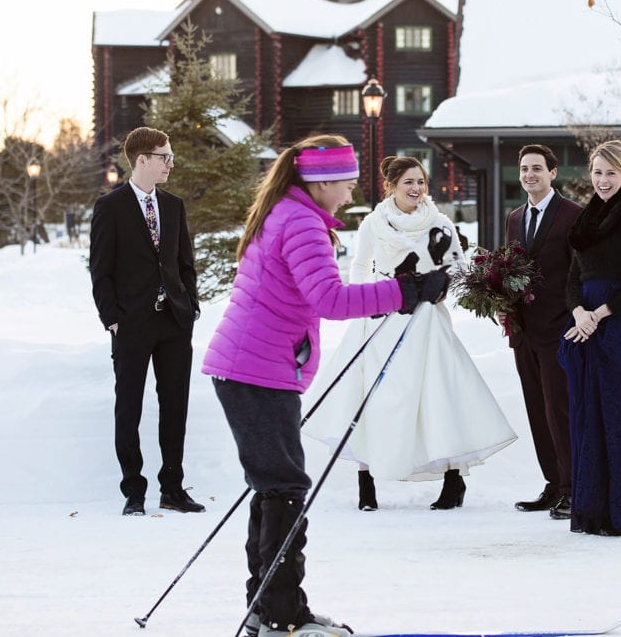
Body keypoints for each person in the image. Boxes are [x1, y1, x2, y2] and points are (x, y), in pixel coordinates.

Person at [201, 136, 449, 637]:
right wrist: (405, 292)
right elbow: (329, 300)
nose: (351, 193)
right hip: (256, 371)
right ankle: (281, 615)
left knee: (276, 487)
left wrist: (398, 288)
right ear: (321, 182)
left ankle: (268, 608)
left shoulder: (287, 213)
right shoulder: (301, 222)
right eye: (346, 183)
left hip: (255, 368)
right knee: (285, 490)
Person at [302, 156, 516, 511]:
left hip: (426, 320)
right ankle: (366, 482)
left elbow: (457, 268)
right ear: (392, 186)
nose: (416, 189)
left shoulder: (440, 223)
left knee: (437, 397)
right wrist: (365, 302)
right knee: (372, 396)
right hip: (381, 317)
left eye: (421, 182)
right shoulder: (374, 223)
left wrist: (442, 286)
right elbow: (360, 266)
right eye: (408, 182)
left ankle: (453, 480)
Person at [89, 126, 204, 517]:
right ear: (142, 160)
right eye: (164, 157)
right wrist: (112, 320)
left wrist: (190, 306)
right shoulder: (111, 207)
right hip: (131, 325)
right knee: (129, 408)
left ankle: (172, 489)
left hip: (174, 323)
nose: (171, 163)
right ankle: (133, 491)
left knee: (175, 407)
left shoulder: (173, 206)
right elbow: (100, 271)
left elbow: (185, 264)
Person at [560, 140, 621, 536]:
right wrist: (579, 313)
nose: (603, 180)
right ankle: (592, 511)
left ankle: (620, 515)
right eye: (597, 172)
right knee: (589, 418)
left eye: (611, 173)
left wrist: (599, 314)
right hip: (586, 328)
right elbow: (573, 278)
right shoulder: (586, 220)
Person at [500, 144, 583, 520]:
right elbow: (510, 268)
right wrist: (500, 299)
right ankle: (553, 484)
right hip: (523, 331)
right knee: (536, 409)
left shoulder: (573, 215)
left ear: (552, 173)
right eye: (524, 169)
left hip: (560, 329)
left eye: (536, 168)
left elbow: (578, 273)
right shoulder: (515, 217)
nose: (529, 174)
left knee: (559, 409)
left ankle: (574, 488)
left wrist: (574, 318)